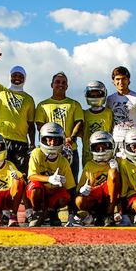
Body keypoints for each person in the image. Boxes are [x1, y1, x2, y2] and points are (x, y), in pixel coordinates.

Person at [35, 72, 84, 225]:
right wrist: (51, 140)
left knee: (71, 182)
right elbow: (39, 124)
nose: (60, 84)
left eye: (63, 82)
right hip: (49, 152)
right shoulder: (43, 105)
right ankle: (51, 214)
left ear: (67, 86)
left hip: (70, 149)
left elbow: (79, 122)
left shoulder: (74, 104)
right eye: (57, 82)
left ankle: (72, 215)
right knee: (50, 182)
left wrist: (71, 137)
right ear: (52, 85)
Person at [0, 58, 36, 175]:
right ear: (10, 77)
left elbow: (31, 124)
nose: (17, 78)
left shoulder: (28, 99)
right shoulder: (0, 91)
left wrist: (32, 143)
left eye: (20, 76)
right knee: (1, 174)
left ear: (25, 79)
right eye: (15, 75)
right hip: (1, 140)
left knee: (20, 175)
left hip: (21, 143)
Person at [26, 122, 76, 227]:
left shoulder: (63, 161)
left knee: (65, 196)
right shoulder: (37, 153)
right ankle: (37, 212)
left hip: (53, 193)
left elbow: (71, 189)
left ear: (61, 141)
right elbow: (31, 176)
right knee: (35, 187)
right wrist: (49, 179)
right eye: (49, 139)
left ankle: (52, 212)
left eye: (55, 139)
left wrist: (71, 215)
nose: (52, 143)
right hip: (41, 192)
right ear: (43, 139)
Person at [75, 131, 121, 226]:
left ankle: (110, 214)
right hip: (96, 198)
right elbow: (78, 190)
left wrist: (117, 170)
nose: (101, 150)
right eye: (97, 147)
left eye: (104, 147)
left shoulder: (117, 161)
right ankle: (96, 215)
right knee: (79, 201)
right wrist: (83, 190)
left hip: (111, 198)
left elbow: (123, 186)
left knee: (112, 173)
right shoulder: (89, 165)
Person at [106, 66, 136, 155]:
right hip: (116, 140)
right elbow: (109, 121)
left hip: (133, 142)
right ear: (113, 81)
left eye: (123, 79)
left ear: (129, 80)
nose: (120, 82)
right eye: (117, 79)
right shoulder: (110, 99)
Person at [81, 81, 114, 166]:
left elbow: (111, 130)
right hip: (88, 154)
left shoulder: (108, 113)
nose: (95, 97)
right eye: (92, 95)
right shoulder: (84, 114)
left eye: (98, 94)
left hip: (105, 152)